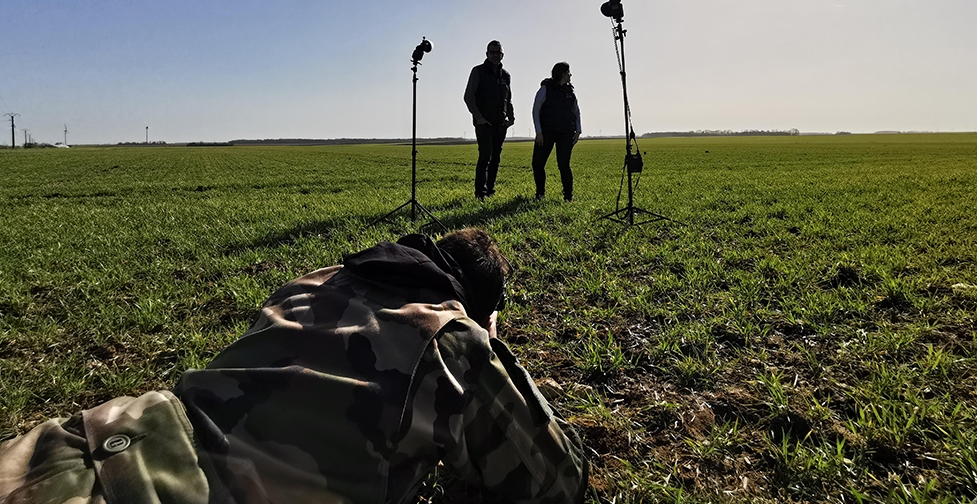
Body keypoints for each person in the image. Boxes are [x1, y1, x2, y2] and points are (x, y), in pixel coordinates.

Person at [0, 228, 588, 504]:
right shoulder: (449, 340)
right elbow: (557, 479)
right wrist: (492, 346)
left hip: (77, 442)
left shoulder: (312, 284)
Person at [464, 40, 515, 199]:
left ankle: (490, 191)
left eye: (497, 52)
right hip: (484, 124)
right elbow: (469, 96)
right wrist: (479, 118)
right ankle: (480, 193)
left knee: (496, 159)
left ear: (502, 55)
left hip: (500, 124)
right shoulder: (478, 71)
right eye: (491, 52)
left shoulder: (505, 75)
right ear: (487, 54)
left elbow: (508, 98)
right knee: (485, 156)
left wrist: (511, 118)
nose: (494, 55)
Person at [532, 62, 582, 201]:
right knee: (538, 164)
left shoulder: (570, 92)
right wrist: (539, 132)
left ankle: (568, 197)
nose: (570, 76)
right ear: (561, 74)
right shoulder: (545, 89)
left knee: (564, 164)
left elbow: (576, 112)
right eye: (568, 73)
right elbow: (536, 110)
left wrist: (578, 130)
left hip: (566, 133)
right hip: (546, 132)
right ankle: (540, 194)